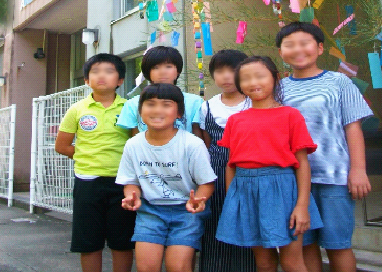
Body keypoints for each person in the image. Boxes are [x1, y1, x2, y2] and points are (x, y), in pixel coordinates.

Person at [277, 22, 373, 272]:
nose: (298, 50)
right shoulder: (278, 88)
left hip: (334, 176)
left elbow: (353, 127)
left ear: (320, 48)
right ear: (280, 52)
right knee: (305, 244)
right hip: (293, 179)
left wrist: (358, 170)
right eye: (289, 45)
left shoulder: (339, 81)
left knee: (338, 244)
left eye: (305, 43)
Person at [216, 56, 323, 272]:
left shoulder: (291, 115)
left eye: (260, 76)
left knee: (292, 262)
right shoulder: (235, 120)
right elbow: (231, 164)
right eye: (246, 78)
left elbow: (302, 163)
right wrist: (232, 201)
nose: (253, 82)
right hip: (246, 192)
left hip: (284, 191)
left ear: (275, 78)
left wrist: (302, 205)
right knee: (264, 263)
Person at [116, 83, 217, 272]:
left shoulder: (192, 144)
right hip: (150, 210)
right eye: (150, 104)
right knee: (146, 267)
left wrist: (198, 200)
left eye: (166, 105)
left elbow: (207, 183)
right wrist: (132, 196)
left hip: (186, 211)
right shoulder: (133, 145)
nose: (157, 110)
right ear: (140, 111)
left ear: (179, 113)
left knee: (177, 266)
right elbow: (130, 181)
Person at [55, 53, 136, 272]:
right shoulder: (77, 109)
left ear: (120, 80)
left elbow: (137, 143)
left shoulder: (129, 108)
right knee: (89, 242)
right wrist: (86, 155)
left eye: (109, 71)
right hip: (87, 183)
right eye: (95, 71)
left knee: (123, 241)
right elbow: (62, 146)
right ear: (86, 80)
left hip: (123, 183)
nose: (102, 76)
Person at [197, 49, 256, 272]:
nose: (226, 76)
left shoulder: (255, 103)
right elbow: (207, 143)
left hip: (250, 169)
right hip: (216, 171)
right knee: (215, 220)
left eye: (232, 70)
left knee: (246, 219)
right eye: (220, 71)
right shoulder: (207, 106)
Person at [116, 46, 202, 137]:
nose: (162, 72)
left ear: (178, 71)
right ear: (147, 72)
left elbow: (198, 137)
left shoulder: (195, 102)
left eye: (168, 67)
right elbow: (135, 138)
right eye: (155, 67)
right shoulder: (133, 104)